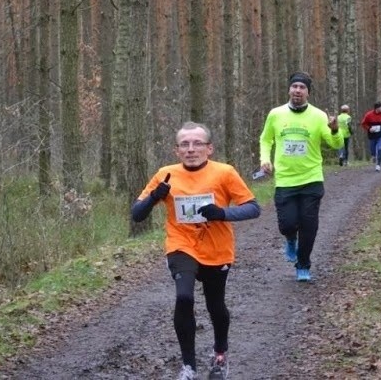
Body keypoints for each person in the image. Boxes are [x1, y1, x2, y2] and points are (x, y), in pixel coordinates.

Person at [132, 121, 261, 380]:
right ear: (177, 150)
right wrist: (155, 196)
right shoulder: (165, 174)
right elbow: (137, 215)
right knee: (184, 298)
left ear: (209, 148)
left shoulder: (224, 172)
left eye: (197, 143)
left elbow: (253, 207)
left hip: (217, 248)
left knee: (216, 305)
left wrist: (222, 213)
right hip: (181, 245)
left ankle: (220, 354)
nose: (191, 149)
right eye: (185, 144)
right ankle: (188, 366)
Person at [258, 72, 343, 283]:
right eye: (294, 86)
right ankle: (289, 239)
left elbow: (336, 144)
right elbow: (265, 139)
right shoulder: (276, 114)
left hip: (311, 178)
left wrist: (335, 131)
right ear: (289, 90)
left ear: (308, 92)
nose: (297, 90)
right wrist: (264, 159)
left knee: (309, 225)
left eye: (302, 87)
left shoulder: (318, 116)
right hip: (285, 180)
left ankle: (303, 264)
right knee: (287, 224)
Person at [360, 101, 381, 171]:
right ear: (377, 108)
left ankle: (378, 165)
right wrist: (369, 129)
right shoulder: (369, 115)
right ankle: (373, 156)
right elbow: (363, 124)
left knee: (380, 148)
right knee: (372, 149)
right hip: (372, 135)